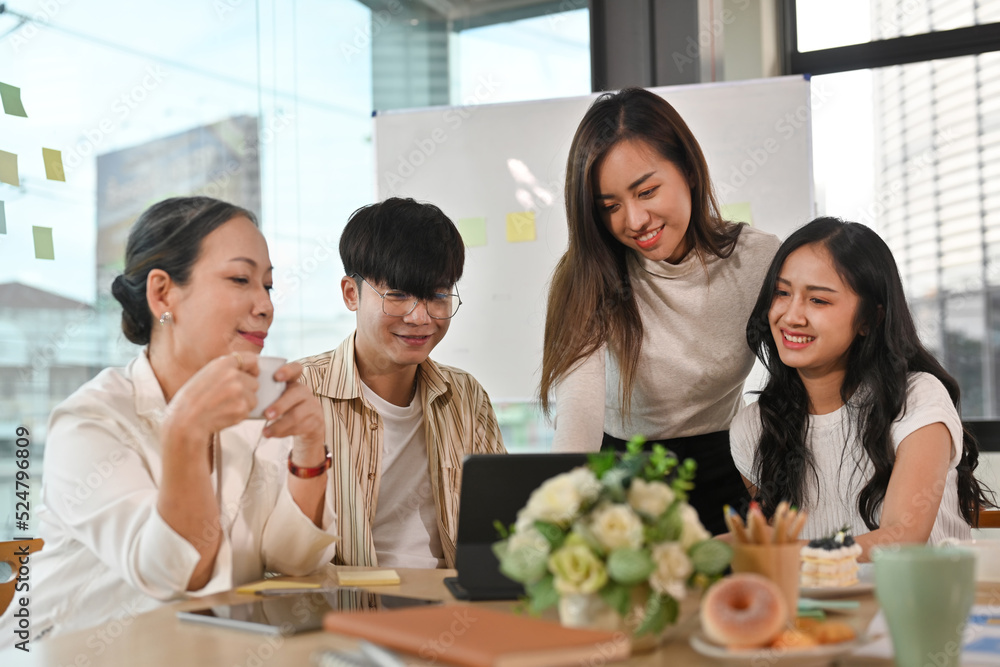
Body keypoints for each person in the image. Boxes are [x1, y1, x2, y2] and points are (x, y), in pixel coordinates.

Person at [0, 197, 337, 640]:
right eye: (241, 279)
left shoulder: (256, 410)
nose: (265, 305)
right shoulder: (90, 421)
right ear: (162, 293)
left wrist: (309, 450)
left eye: (268, 286)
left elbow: (293, 561)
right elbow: (172, 575)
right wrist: (185, 432)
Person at [541, 87, 780, 534]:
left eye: (647, 191)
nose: (634, 221)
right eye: (610, 207)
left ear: (688, 169)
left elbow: (802, 383)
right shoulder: (589, 275)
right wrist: (557, 515)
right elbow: (579, 414)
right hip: (623, 475)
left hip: (730, 466)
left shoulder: (758, 261)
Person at [730, 217, 995, 558]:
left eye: (818, 300)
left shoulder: (916, 399)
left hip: (925, 594)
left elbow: (901, 539)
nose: (791, 316)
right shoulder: (753, 426)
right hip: (816, 596)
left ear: (869, 319)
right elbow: (773, 545)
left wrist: (771, 551)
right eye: (782, 293)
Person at [297, 197, 506, 569]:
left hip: (447, 598)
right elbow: (277, 547)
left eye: (437, 296)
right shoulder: (300, 392)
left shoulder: (465, 395)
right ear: (351, 293)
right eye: (398, 295)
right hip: (346, 601)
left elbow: (499, 523)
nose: (420, 317)